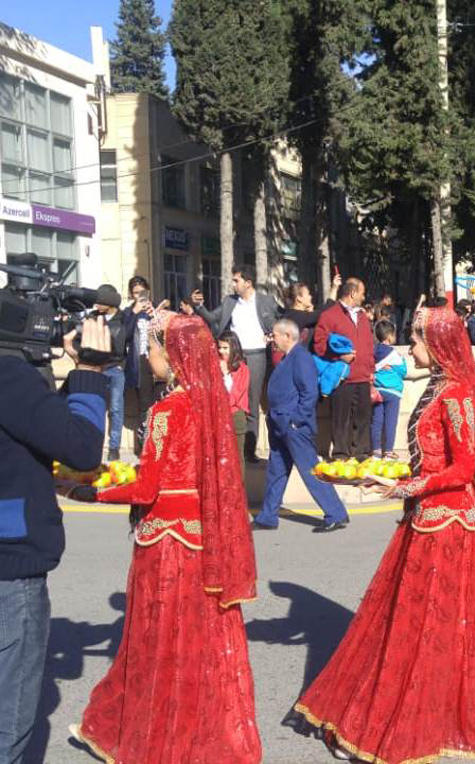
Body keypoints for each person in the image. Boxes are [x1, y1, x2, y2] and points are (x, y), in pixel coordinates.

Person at [295, 302, 475, 761]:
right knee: (417, 623)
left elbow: (464, 468)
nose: (408, 345)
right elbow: (430, 456)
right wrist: (398, 477)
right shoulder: (440, 386)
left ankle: (421, 721)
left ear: (436, 345)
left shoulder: (455, 396)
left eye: (415, 339)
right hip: (427, 515)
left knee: (429, 626)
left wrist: (404, 486)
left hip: (448, 523)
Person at [66, 312, 261, 763]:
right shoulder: (209, 407)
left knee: (155, 644)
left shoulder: (168, 410)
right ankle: (202, 732)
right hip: (199, 543)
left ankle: (150, 736)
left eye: (152, 349)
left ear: (171, 358)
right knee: (200, 645)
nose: (147, 356)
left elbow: (147, 488)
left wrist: (90, 492)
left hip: (165, 545)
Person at [0, 320, 109, 762]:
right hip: (10, 565)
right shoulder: (8, 376)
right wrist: (88, 371)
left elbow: (33, 428)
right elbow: (81, 448)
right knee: (9, 721)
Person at [255, 319, 351, 532]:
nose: (273, 339)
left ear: (287, 336)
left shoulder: (301, 358)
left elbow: (309, 392)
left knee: (311, 470)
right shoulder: (289, 358)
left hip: (293, 426)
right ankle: (268, 516)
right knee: (276, 470)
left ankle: (335, 513)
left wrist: (296, 421)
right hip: (280, 424)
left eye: (275, 335)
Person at [187, 264, 280, 461]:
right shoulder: (230, 301)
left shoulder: (266, 301)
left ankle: (249, 451)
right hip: (234, 356)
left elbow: (280, 320)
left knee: (251, 403)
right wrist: (199, 306)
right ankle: (230, 447)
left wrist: (272, 335)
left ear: (248, 283)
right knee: (230, 400)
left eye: (236, 280)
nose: (233, 284)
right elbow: (213, 318)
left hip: (256, 355)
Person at [314, 277, 375, 459]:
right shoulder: (329, 315)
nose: (364, 297)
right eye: (362, 293)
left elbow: (369, 344)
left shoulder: (363, 316)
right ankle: (341, 455)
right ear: (353, 293)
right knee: (341, 420)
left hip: (363, 377)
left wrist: (371, 370)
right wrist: (339, 357)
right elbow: (319, 345)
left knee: (363, 419)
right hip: (342, 378)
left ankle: (362, 454)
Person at [122, 276, 162, 455]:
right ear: (131, 294)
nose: (139, 296)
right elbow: (125, 335)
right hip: (141, 363)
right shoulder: (128, 312)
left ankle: (158, 444)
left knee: (159, 405)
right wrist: (135, 313)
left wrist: (155, 315)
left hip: (159, 363)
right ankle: (144, 447)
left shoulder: (157, 309)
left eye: (142, 292)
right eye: (136, 293)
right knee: (145, 406)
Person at [93, 284, 128, 461]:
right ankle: (94, 444)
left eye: (100, 301)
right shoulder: (93, 318)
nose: (96, 305)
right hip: (97, 368)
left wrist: (123, 364)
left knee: (115, 408)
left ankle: (114, 448)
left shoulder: (124, 318)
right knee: (96, 407)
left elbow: (133, 342)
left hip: (116, 369)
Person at [277, 277, 339, 362]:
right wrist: (334, 288)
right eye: (308, 294)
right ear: (299, 298)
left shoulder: (291, 314)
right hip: (298, 363)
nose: (311, 297)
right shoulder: (298, 316)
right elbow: (324, 311)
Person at [370, 320, 407, 458]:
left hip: (378, 390)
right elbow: (403, 372)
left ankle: (376, 451)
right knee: (390, 422)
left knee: (376, 420)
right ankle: (388, 451)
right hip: (393, 392)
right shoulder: (395, 354)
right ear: (390, 336)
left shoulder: (373, 351)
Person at [218, 331, 251, 464]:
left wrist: (225, 374)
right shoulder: (215, 366)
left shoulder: (242, 369)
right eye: (219, 347)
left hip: (235, 414)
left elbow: (236, 394)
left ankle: (239, 485)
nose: (221, 351)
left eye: (225, 348)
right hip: (218, 414)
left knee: (237, 458)